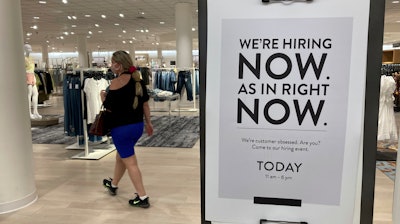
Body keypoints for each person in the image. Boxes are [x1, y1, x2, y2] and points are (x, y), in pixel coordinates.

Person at [100, 50, 153, 208]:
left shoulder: (115, 84)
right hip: (137, 127)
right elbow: (145, 105)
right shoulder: (138, 82)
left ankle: (143, 197)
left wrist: (102, 97)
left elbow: (109, 108)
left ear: (119, 64)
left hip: (121, 129)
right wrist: (149, 123)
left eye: (112, 62)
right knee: (121, 156)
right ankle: (113, 184)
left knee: (131, 163)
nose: (110, 65)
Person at [25, 44, 42, 120]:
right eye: (28, 48)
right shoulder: (23, 58)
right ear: (25, 49)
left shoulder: (31, 58)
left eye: (30, 48)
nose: (30, 49)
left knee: (36, 94)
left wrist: (34, 77)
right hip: (27, 75)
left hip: (32, 75)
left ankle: (35, 111)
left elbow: (33, 69)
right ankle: (29, 113)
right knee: (29, 95)